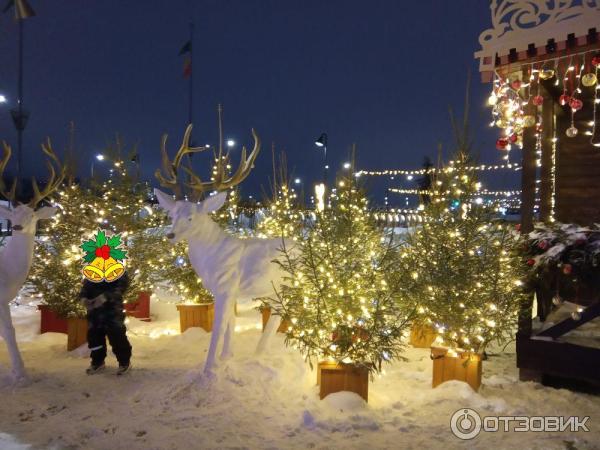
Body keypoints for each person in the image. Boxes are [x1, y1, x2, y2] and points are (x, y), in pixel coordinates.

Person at [80, 271, 132, 375]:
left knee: (117, 336)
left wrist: (106, 297)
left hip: (112, 312)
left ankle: (124, 362)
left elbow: (121, 287)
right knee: (94, 339)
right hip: (94, 312)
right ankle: (97, 362)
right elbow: (85, 287)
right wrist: (83, 298)